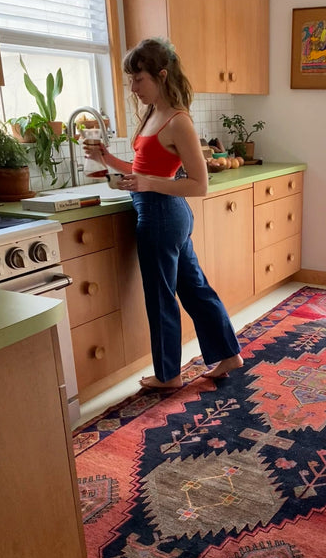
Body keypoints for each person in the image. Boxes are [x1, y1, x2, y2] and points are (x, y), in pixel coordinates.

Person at [83, 37, 243, 390]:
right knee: (194, 288)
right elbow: (141, 169)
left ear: (162, 75)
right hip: (161, 212)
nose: (133, 87)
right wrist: (106, 159)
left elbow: (199, 185)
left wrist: (148, 183)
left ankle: (168, 374)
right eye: (130, 80)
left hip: (162, 215)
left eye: (139, 79)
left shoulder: (178, 121)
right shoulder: (151, 114)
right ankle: (228, 353)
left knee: (161, 297)